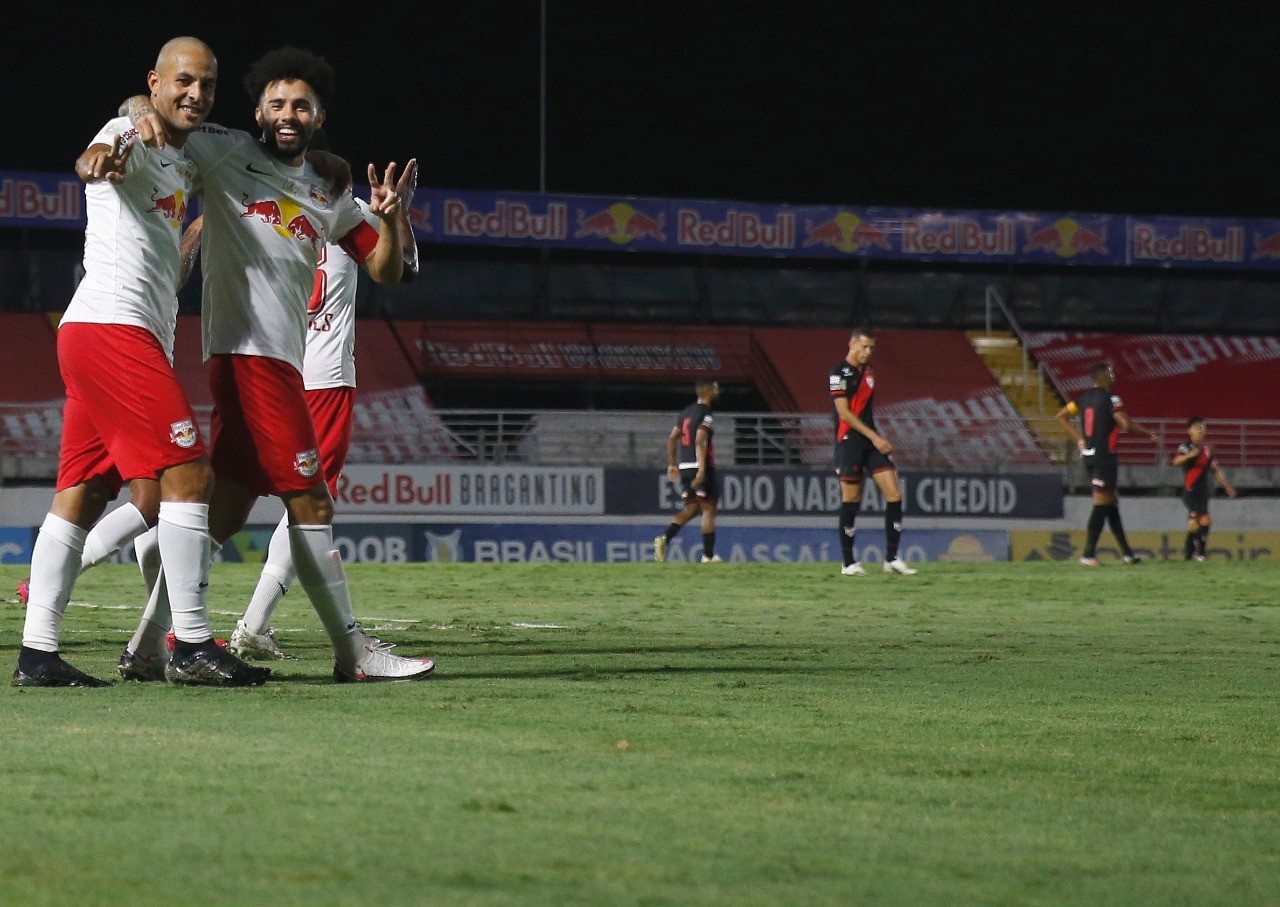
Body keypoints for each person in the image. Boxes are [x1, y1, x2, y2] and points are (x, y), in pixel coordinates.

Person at [118, 46, 433, 682]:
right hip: (248, 357)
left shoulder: (328, 187)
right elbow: (159, 114)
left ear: (318, 115)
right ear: (258, 110)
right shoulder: (224, 151)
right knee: (311, 502)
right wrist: (134, 107)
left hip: (282, 361)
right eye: (277, 103)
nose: (288, 114)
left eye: (301, 105)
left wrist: (392, 220)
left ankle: (148, 645)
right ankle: (355, 655)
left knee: (228, 509)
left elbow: (386, 269)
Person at [14, 37, 269, 687]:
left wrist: (201, 230)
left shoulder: (199, 149)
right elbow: (99, 155)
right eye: (183, 81)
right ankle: (189, 644)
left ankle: (37, 654)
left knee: (89, 493)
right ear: (154, 82)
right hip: (111, 329)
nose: (195, 94)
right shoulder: (129, 128)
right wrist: (102, 153)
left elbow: (246, 154)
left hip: (105, 333)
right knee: (189, 473)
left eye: (207, 85)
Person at [228, 138, 420, 660]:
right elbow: (405, 270)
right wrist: (394, 218)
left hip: (268, 368)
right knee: (310, 507)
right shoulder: (347, 211)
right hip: (324, 379)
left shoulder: (269, 205)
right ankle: (253, 625)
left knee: (224, 499)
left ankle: (183, 617)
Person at [830, 328, 917, 576]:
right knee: (852, 500)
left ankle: (891, 559)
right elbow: (844, 413)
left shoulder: (868, 373)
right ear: (852, 344)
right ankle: (848, 563)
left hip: (870, 442)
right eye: (864, 347)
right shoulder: (838, 373)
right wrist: (876, 437)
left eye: (871, 348)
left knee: (894, 493)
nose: (868, 353)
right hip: (850, 442)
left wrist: (874, 438)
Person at [1055, 362, 1160, 566]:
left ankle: (1127, 554)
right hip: (1104, 456)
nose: (1114, 375)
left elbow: (1061, 416)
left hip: (1089, 455)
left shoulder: (1082, 398)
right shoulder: (1112, 398)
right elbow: (1126, 424)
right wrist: (1148, 434)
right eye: (1111, 372)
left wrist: (1079, 437)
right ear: (1103, 376)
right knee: (1102, 503)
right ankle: (1088, 554)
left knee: (1111, 503)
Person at [654, 379, 722, 564]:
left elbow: (672, 437)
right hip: (700, 466)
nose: (718, 390)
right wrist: (701, 468)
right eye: (715, 387)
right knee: (708, 509)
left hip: (684, 467)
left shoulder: (685, 413)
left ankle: (665, 538)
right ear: (709, 392)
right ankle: (708, 556)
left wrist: (672, 464)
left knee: (692, 508)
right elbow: (700, 439)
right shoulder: (705, 414)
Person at [1171, 415, 1237, 561]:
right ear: (1189, 431)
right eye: (1197, 428)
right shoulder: (1185, 447)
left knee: (1194, 526)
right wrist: (1190, 455)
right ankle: (1200, 554)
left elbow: (1215, 470)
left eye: (1202, 428)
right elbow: (1175, 461)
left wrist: (1227, 487)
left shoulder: (1207, 450)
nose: (1200, 431)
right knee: (1205, 520)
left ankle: (1188, 557)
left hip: (1202, 492)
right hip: (1189, 491)